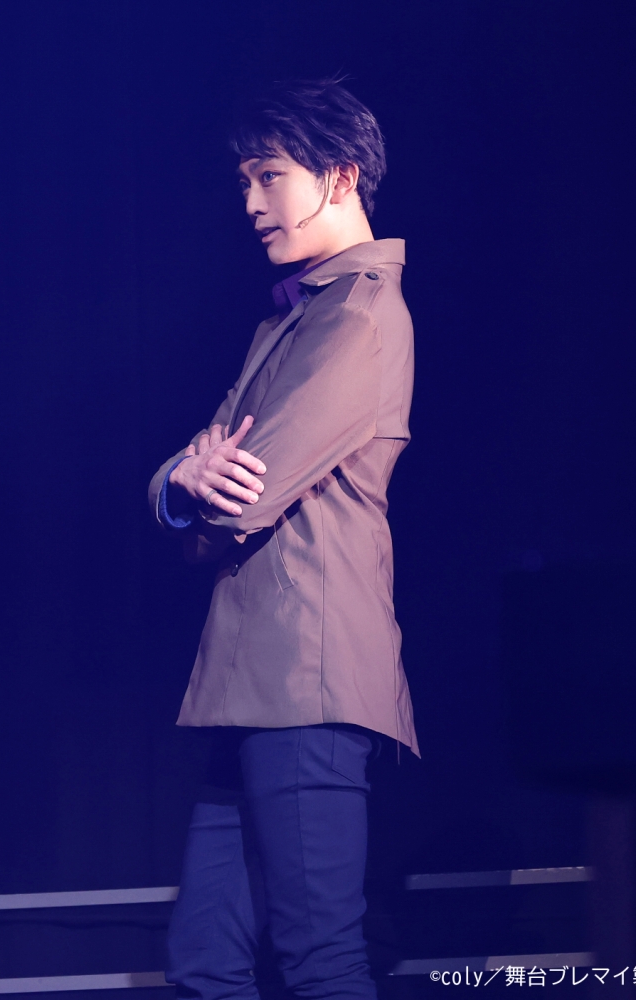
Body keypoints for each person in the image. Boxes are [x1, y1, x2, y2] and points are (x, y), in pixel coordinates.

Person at [149, 79, 417, 1000]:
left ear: (339, 177)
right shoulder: (294, 316)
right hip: (253, 677)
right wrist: (181, 489)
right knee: (206, 963)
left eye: (270, 177)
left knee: (319, 956)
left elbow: (242, 493)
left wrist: (196, 496)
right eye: (244, 182)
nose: (251, 203)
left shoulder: (361, 315)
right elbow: (193, 471)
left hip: (311, 675)